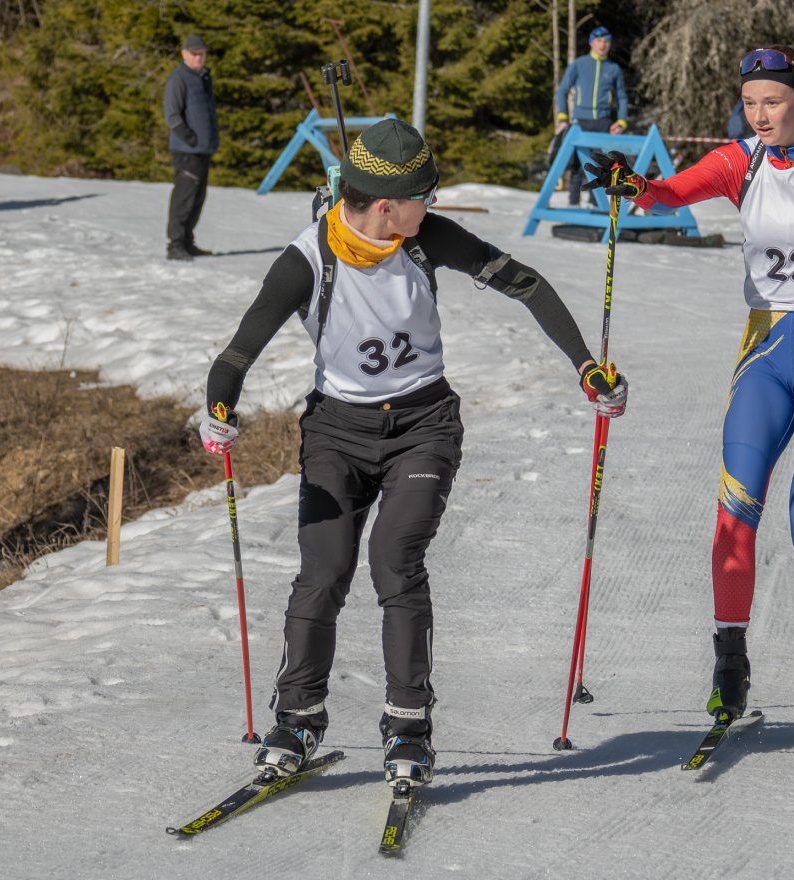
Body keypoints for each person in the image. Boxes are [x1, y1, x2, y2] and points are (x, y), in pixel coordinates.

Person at [199, 119, 628, 788]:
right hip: (337, 432)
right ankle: (299, 719)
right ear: (385, 203)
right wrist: (219, 411)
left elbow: (527, 284)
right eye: (425, 194)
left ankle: (408, 724)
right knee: (325, 569)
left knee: (394, 558)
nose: (434, 205)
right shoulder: (307, 260)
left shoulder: (425, 237)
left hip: (423, 427)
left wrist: (585, 366)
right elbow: (235, 355)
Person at [584, 46, 794, 740]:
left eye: (773, 101)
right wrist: (631, 183)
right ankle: (729, 663)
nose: (760, 114)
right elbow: (670, 193)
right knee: (733, 516)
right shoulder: (743, 160)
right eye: (750, 102)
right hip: (764, 353)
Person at [554, 26, 628, 207]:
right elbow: (562, 91)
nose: (603, 45)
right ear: (591, 42)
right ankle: (573, 204)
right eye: (599, 41)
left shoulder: (614, 68)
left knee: (601, 167)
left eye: (606, 41)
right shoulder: (579, 64)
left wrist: (621, 121)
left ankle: (597, 206)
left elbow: (622, 97)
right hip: (580, 122)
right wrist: (563, 118)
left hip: (603, 123)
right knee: (577, 166)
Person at [163, 35, 218, 261]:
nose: (198, 57)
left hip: (203, 149)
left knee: (197, 198)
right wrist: (190, 138)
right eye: (193, 53)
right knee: (184, 198)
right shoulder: (179, 78)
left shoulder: (203, 77)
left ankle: (187, 241)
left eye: (201, 53)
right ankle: (175, 244)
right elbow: (172, 115)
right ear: (184, 54)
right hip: (187, 150)